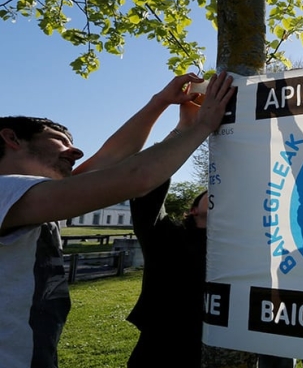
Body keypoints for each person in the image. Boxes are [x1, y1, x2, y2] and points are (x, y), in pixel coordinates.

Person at [0, 71, 235, 368]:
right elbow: (136, 177)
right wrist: (202, 126)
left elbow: (114, 156)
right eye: (59, 141)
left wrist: (167, 108)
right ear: (11, 138)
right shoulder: (4, 191)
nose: (76, 150)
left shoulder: (38, 201)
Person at [125, 100, 210, 368]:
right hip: (161, 348)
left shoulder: (236, 245)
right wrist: (183, 130)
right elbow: (149, 186)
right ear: (193, 210)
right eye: (211, 193)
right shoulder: (165, 236)